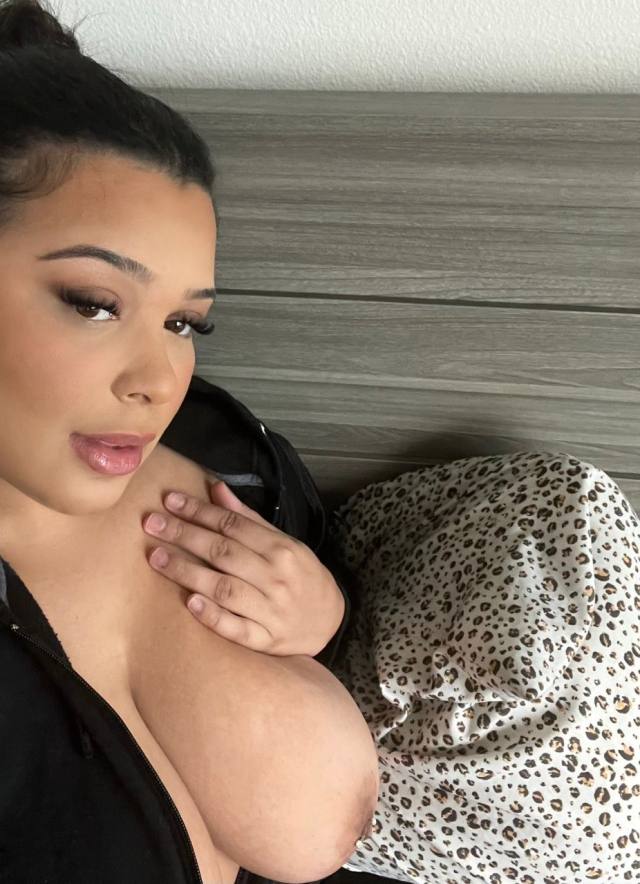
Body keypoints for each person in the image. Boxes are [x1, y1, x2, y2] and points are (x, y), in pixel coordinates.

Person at [0, 1, 380, 882]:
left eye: (183, 323)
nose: (157, 379)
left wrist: (321, 614)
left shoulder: (224, 454)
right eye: (95, 303)